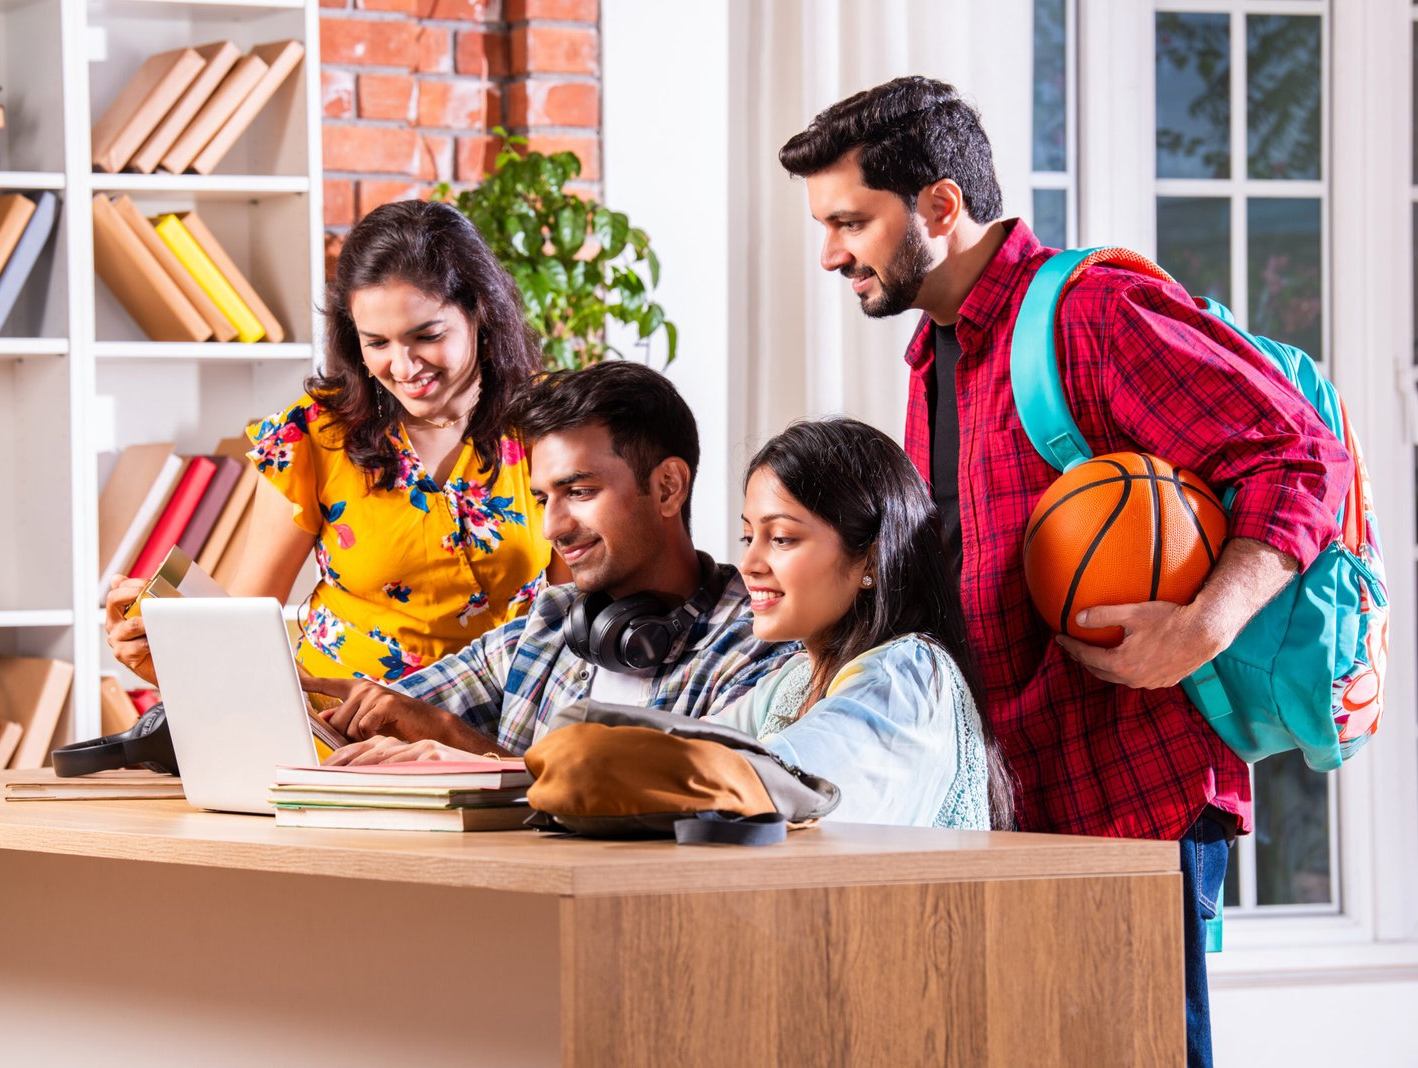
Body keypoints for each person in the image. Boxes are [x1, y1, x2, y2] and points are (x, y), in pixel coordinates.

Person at [779, 76, 1353, 1067]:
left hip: (1125, 802)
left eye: (849, 221)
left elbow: (1301, 456)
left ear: (940, 207)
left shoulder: (1094, 310)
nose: (831, 252)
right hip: (1012, 800)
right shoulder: (936, 357)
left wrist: (1205, 625)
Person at [104, 200, 563, 685]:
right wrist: (160, 655)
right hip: (339, 726)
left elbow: (579, 617)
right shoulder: (312, 436)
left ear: (480, 312)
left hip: (496, 727)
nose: (404, 368)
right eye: (378, 343)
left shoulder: (549, 423)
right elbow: (244, 628)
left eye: (426, 336)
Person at [311, 360, 797, 762]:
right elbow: (405, 713)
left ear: (668, 486)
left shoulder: (760, 648)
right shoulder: (547, 624)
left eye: (580, 492)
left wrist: (457, 743)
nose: (552, 528)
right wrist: (337, 712)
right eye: (543, 499)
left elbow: (663, 815)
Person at [705, 418, 1014, 830]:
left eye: (780, 538)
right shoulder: (793, 681)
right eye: (748, 538)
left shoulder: (910, 677)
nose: (748, 565)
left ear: (869, 558)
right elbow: (683, 749)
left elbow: (764, 787)